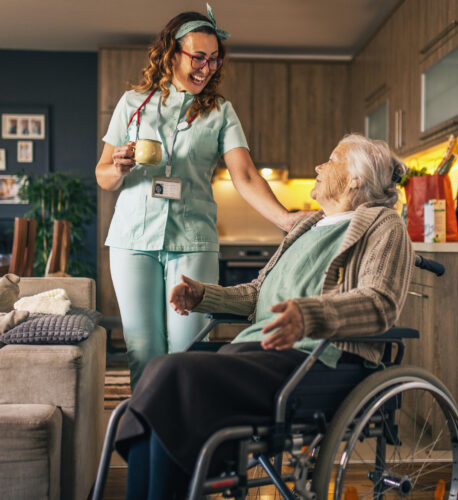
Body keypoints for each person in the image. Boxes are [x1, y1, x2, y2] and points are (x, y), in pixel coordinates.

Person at [112, 134, 414, 499]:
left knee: (169, 374)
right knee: (165, 377)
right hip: (260, 352)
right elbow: (257, 294)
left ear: (356, 179)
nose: (319, 166)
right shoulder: (306, 226)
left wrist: (309, 315)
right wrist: (203, 296)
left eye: (331, 159)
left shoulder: (383, 225)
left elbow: (379, 303)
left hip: (316, 359)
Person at [95, 5, 304, 387]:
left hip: (193, 242)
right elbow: (103, 174)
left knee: (187, 351)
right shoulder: (132, 104)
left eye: (213, 59)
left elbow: (244, 175)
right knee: (143, 351)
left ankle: (186, 442)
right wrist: (119, 167)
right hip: (132, 241)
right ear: (172, 54)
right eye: (197, 57)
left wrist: (287, 220)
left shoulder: (220, 112)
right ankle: (149, 442)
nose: (206, 67)